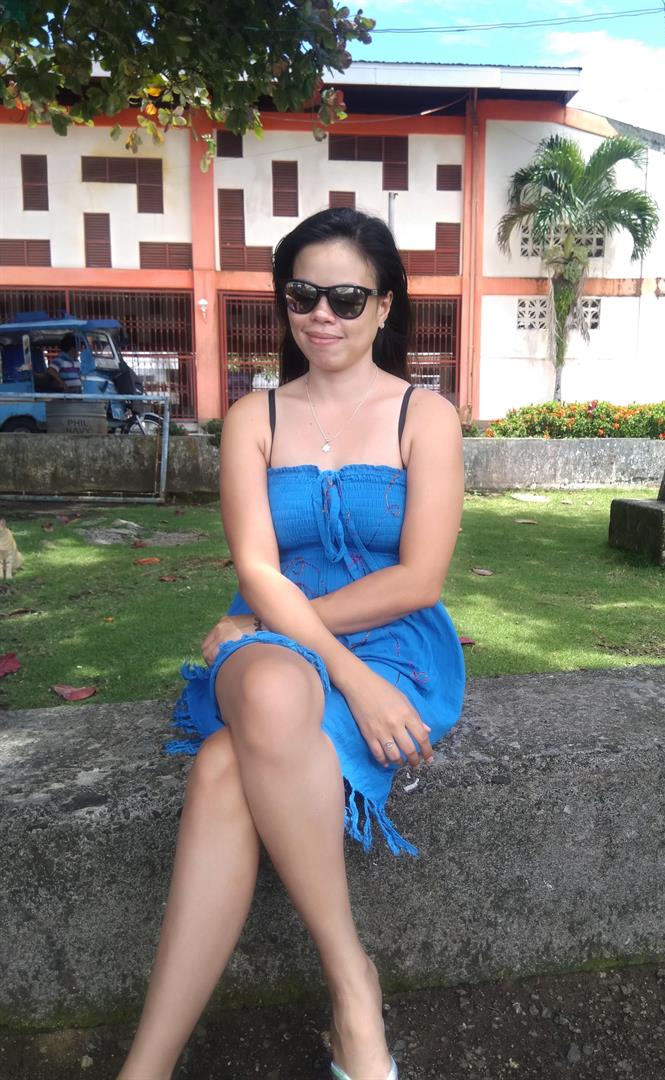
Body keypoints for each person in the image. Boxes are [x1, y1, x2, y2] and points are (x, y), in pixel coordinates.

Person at [117, 208, 466, 1080]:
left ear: (384, 305)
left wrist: (302, 641)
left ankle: (145, 1070)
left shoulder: (424, 416)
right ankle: (353, 985)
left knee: (223, 768)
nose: (322, 315)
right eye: (303, 295)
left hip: (392, 646)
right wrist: (324, 659)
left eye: (346, 298)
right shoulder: (254, 416)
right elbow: (258, 569)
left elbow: (418, 579)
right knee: (273, 689)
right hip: (278, 641)